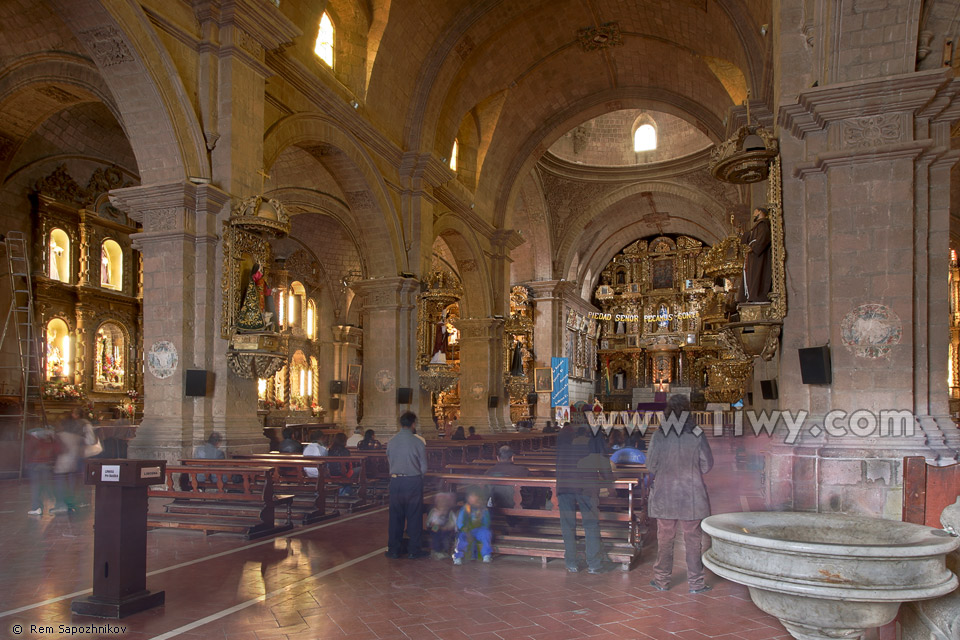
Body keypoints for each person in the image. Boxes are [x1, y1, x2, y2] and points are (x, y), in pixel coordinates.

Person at [647, 394, 714, 594]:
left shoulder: (659, 435)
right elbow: (707, 464)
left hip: (665, 495)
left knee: (665, 538)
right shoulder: (697, 433)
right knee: (693, 539)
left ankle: (661, 580)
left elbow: (650, 465)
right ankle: (696, 583)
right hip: (691, 495)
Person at [556, 424, 614, 573]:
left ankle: (571, 562)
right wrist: (609, 483)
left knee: (567, 525)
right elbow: (604, 466)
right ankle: (594, 564)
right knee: (590, 524)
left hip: (564, 487)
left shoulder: (564, 445)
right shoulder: (592, 446)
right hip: (586, 489)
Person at [386, 411, 428, 559]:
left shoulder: (391, 441)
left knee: (395, 515)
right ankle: (414, 550)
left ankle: (393, 549)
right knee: (414, 515)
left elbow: (390, 461)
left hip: (396, 481)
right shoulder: (418, 442)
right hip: (412, 481)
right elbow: (424, 467)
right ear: (413, 424)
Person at [453, 487, 493, 565]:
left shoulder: (483, 510)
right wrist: (465, 529)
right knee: (461, 538)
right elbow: (460, 522)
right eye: (472, 496)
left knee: (486, 534)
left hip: (479, 530)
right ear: (468, 498)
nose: (475, 499)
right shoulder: (465, 509)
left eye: (478, 498)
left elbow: (486, 522)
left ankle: (486, 555)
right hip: (466, 529)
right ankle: (457, 557)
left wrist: (483, 526)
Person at [741, 206, 772, 303]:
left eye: (755, 212)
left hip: (758, 256)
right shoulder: (758, 226)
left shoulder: (763, 224)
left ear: (759, 212)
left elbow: (763, 238)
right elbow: (751, 237)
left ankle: (757, 296)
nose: (753, 214)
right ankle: (752, 296)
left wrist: (753, 247)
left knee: (757, 275)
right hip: (754, 256)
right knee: (752, 276)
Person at [26, 425, 58, 515]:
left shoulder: (33, 438)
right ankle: (55, 502)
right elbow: (54, 450)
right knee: (47, 485)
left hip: (35, 464)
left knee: (36, 487)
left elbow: (29, 451)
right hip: (46, 464)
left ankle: (37, 507)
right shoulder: (49, 438)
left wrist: (28, 463)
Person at [426, 492, 457, 559]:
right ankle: (436, 551)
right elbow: (429, 523)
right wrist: (436, 526)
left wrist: (447, 527)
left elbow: (454, 523)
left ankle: (444, 551)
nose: (442, 503)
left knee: (446, 537)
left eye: (444, 502)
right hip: (435, 528)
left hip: (446, 529)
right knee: (436, 534)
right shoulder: (434, 511)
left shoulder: (450, 513)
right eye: (440, 502)